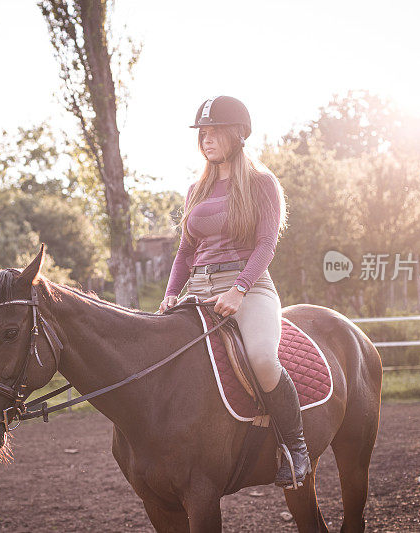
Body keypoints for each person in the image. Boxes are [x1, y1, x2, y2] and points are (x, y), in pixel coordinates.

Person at [158, 95, 311, 489]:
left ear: (237, 135)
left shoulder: (262, 184)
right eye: (202, 133)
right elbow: (185, 251)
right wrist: (171, 294)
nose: (206, 139)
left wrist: (240, 290)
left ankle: (296, 449)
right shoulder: (196, 189)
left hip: (250, 288)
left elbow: (265, 245)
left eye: (214, 132)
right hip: (199, 288)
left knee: (261, 358)